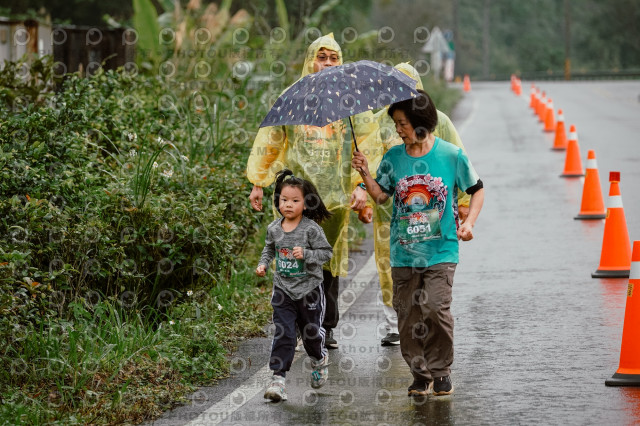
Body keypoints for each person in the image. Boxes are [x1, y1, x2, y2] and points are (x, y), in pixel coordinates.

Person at [247, 33, 380, 349]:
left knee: (327, 260)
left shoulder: (350, 102)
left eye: (334, 58)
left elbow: (370, 144)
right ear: (311, 60)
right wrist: (258, 183)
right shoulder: (292, 96)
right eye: (323, 57)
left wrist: (362, 185)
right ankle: (294, 325)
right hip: (297, 196)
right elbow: (271, 141)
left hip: (336, 197)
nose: (329, 63)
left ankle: (326, 326)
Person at [351, 89, 484, 397]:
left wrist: (469, 223)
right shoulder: (393, 157)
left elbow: (477, 190)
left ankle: (440, 371)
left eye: (402, 123)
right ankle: (419, 373)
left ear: (420, 121)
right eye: (396, 124)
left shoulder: (451, 155)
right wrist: (365, 174)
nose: (398, 130)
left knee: (436, 309)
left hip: (442, 249)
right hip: (403, 253)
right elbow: (381, 195)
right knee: (408, 316)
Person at [257, 169, 333, 402]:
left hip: (309, 289)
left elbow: (326, 253)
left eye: (295, 200)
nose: (288, 205)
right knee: (284, 333)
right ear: (278, 200)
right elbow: (269, 248)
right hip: (283, 290)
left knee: (311, 334)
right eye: (284, 200)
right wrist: (263, 263)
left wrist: (307, 254)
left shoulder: (311, 229)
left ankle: (319, 358)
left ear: (306, 203)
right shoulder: (274, 228)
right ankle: (278, 380)